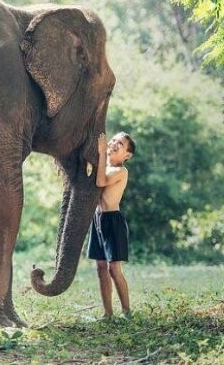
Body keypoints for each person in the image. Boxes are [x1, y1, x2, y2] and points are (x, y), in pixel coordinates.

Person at [87, 131, 136, 319]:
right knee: (100, 267)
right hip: (98, 220)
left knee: (113, 269)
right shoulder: (104, 166)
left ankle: (126, 311)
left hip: (113, 221)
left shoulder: (120, 171)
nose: (114, 143)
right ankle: (107, 313)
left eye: (121, 144)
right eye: (114, 140)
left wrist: (100, 152)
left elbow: (101, 181)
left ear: (127, 155)